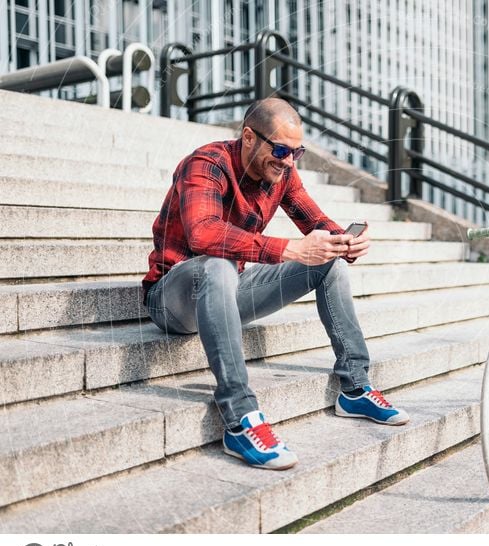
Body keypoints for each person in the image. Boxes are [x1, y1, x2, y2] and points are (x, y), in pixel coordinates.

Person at [141, 97, 409, 471]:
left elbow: (315, 220)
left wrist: (343, 242)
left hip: (228, 294)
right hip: (172, 299)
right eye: (281, 149)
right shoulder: (206, 164)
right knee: (216, 266)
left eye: (296, 152)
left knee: (327, 264)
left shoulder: (281, 175)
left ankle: (355, 387)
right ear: (249, 137)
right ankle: (239, 418)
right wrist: (289, 249)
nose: (287, 161)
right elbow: (203, 234)